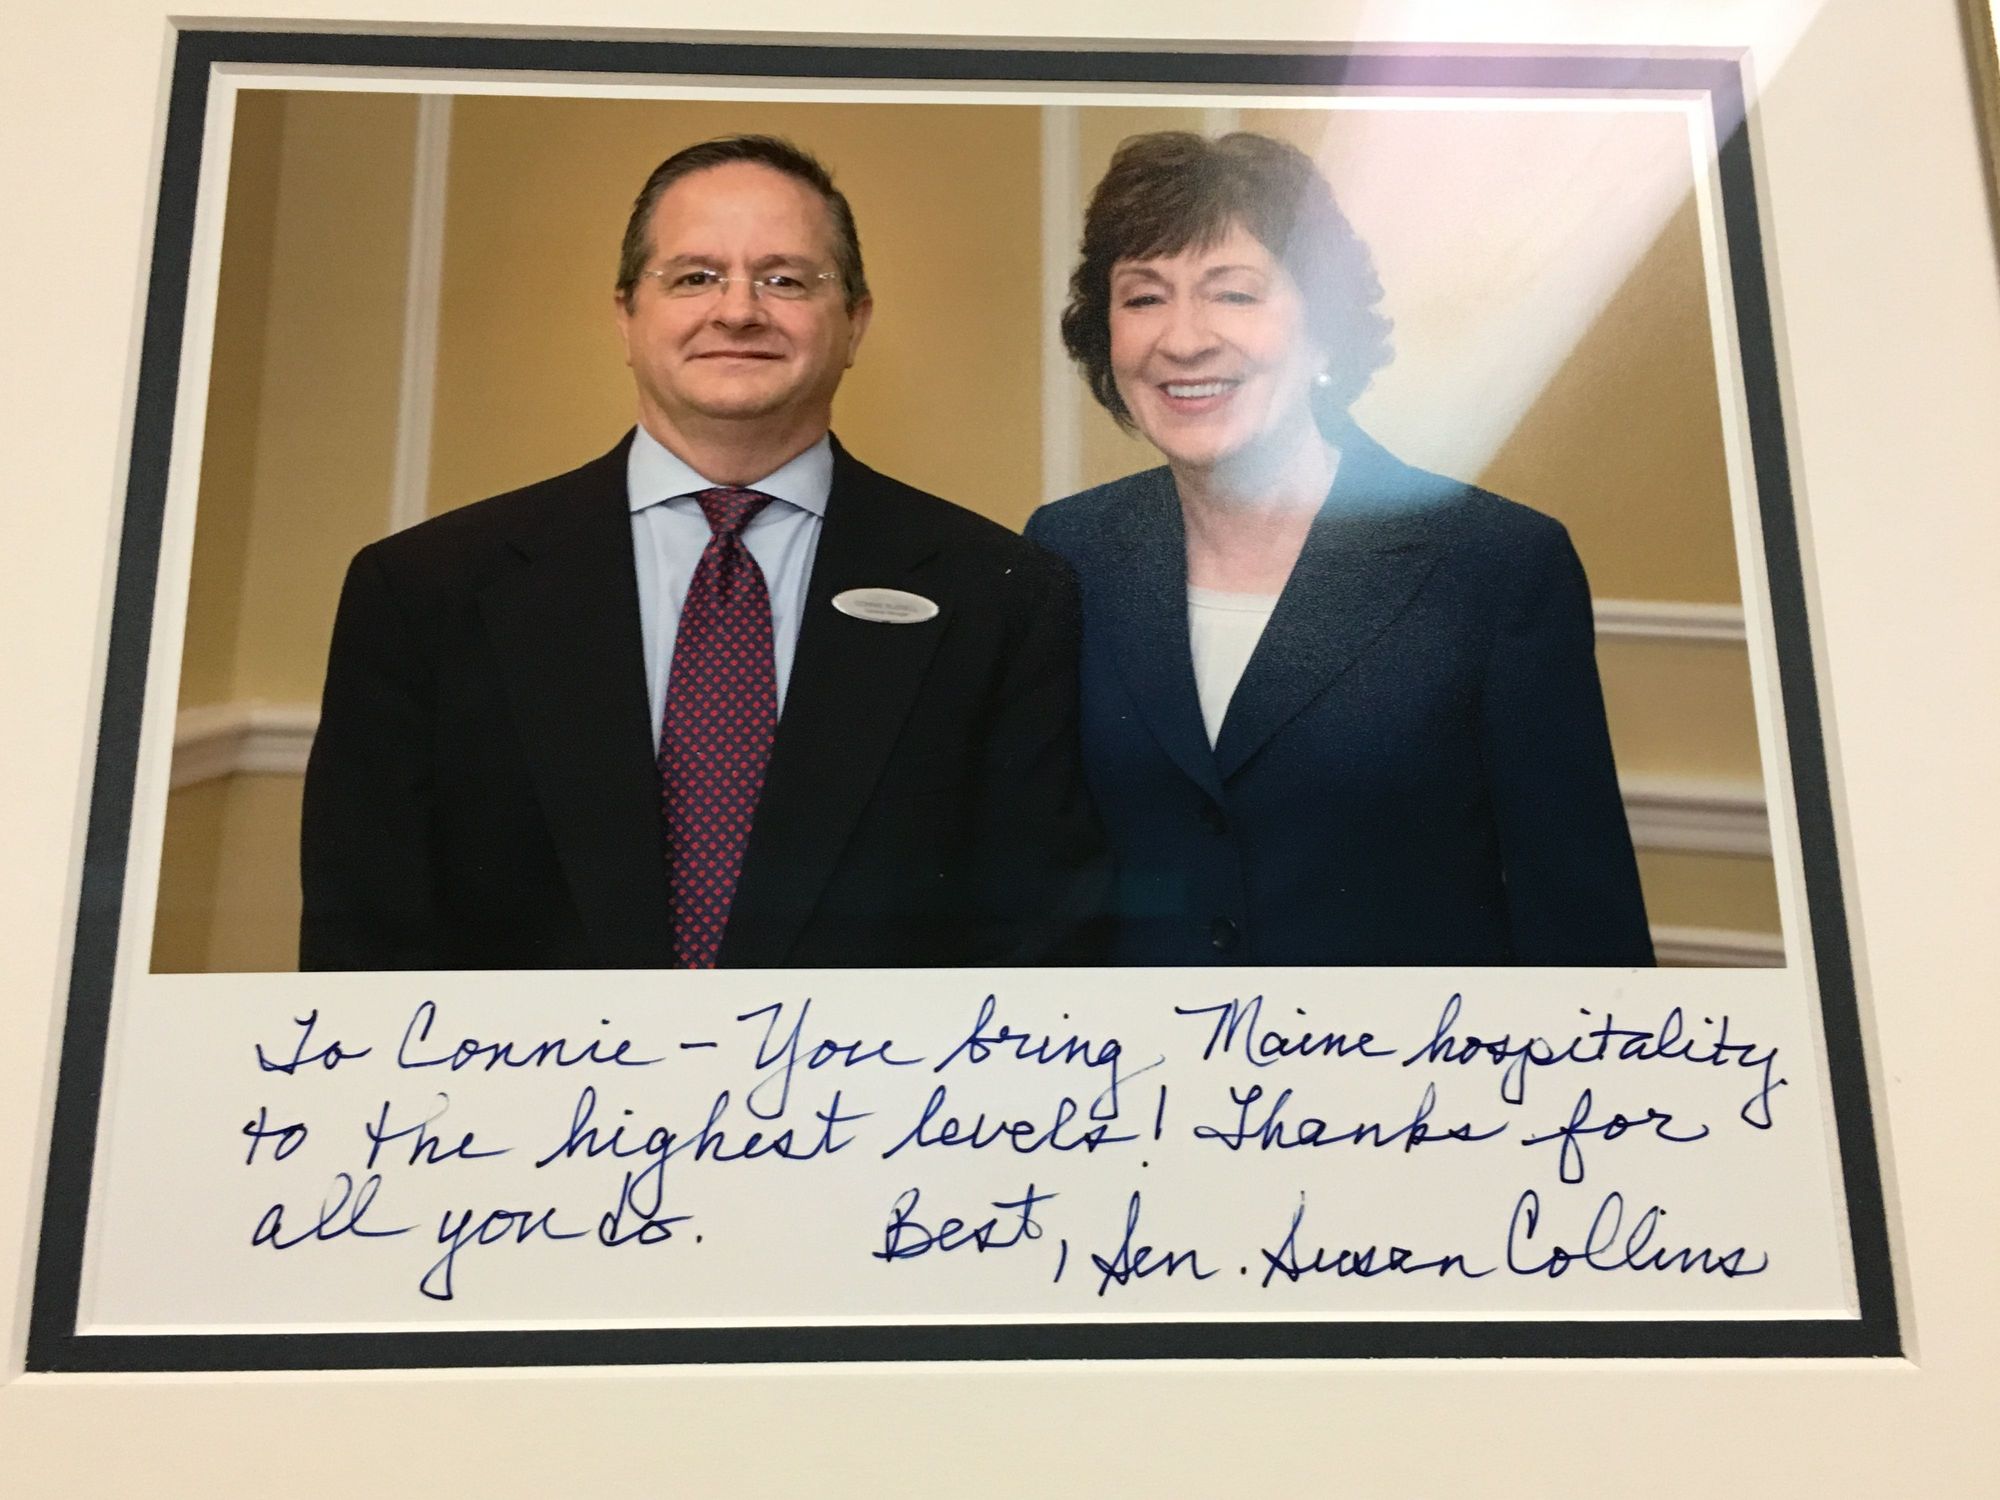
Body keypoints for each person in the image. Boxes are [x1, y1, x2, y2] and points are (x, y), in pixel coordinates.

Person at [302, 135, 1104, 970]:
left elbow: (1037, 945)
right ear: (626, 316)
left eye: (785, 280)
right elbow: (362, 946)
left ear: (855, 323)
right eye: (694, 277)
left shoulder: (1001, 595)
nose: (738, 311)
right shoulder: (423, 592)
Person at [1025, 131, 1653, 966]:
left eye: (1234, 293)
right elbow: (1046, 883)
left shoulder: (1496, 564)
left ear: (1323, 329)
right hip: (1141, 1051)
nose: (1182, 339)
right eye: (1143, 297)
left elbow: (1579, 926)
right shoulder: (1067, 550)